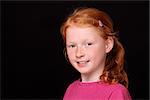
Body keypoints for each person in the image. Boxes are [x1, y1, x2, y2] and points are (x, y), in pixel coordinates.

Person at [60, 7, 132, 100]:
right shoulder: (71, 89)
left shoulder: (116, 92)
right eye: (72, 46)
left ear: (107, 44)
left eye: (88, 44)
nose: (78, 53)